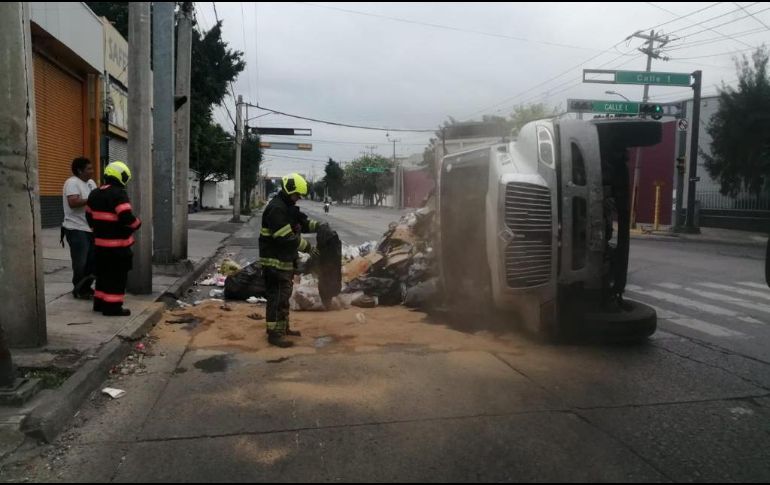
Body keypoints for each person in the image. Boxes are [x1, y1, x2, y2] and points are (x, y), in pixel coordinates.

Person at [259, 173, 323, 348]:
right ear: (288, 191)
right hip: (274, 263)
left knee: (284, 297)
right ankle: (274, 334)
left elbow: (303, 222)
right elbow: (285, 238)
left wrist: (320, 227)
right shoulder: (276, 209)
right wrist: (309, 248)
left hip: (283, 262)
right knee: (277, 298)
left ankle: (283, 328)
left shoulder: (288, 207)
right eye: (296, 195)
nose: (298, 198)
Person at [86, 161, 142, 317]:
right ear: (121, 176)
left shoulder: (95, 193)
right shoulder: (119, 193)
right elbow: (126, 217)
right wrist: (137, 223)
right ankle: (112, 308)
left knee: (102, 276)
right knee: (117, 278)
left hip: (100, 246)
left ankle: (99, 304)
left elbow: (89, 216)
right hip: (118, 247)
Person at [62, 157, 97, 299]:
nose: (92, 171)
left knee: (91, 261)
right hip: (76, 228)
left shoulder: (91, 183)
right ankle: (79, 289)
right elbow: (73, 202)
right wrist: (93, 199)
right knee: (80, 262)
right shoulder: (72, 183)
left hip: (90, 228)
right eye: (89, 169)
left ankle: (86, 287)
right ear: (79, 170)